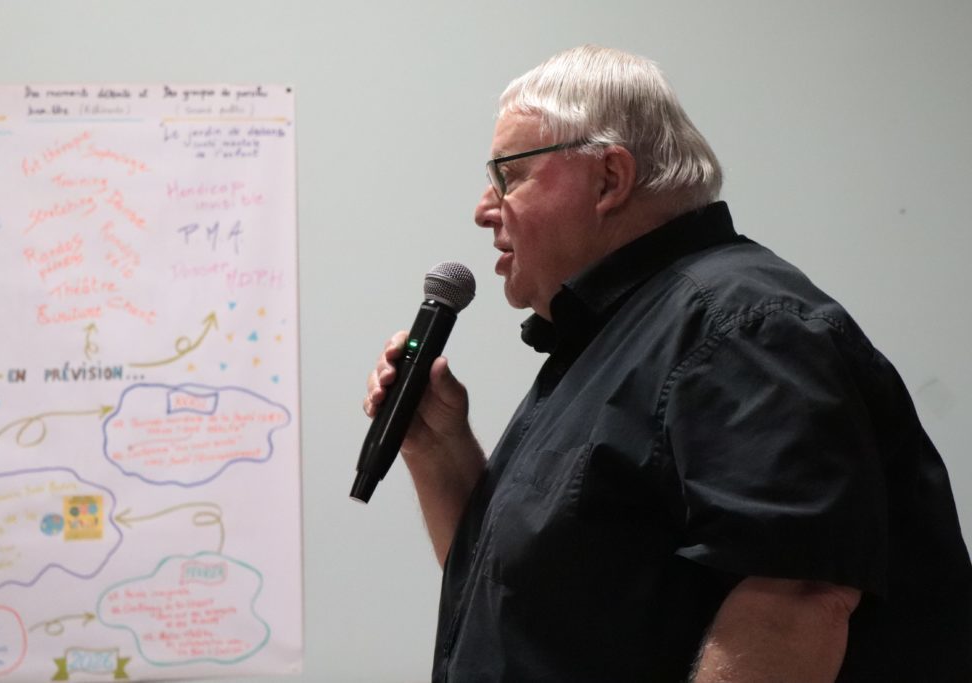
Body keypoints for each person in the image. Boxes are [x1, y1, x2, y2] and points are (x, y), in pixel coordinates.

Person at [363, 45, 972, 682]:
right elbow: (515, 604)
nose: (484, 209)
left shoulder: (744, 330)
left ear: (609, 178)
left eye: (509, 177)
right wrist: (437, 448)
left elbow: (798, 598)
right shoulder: (609, 343)